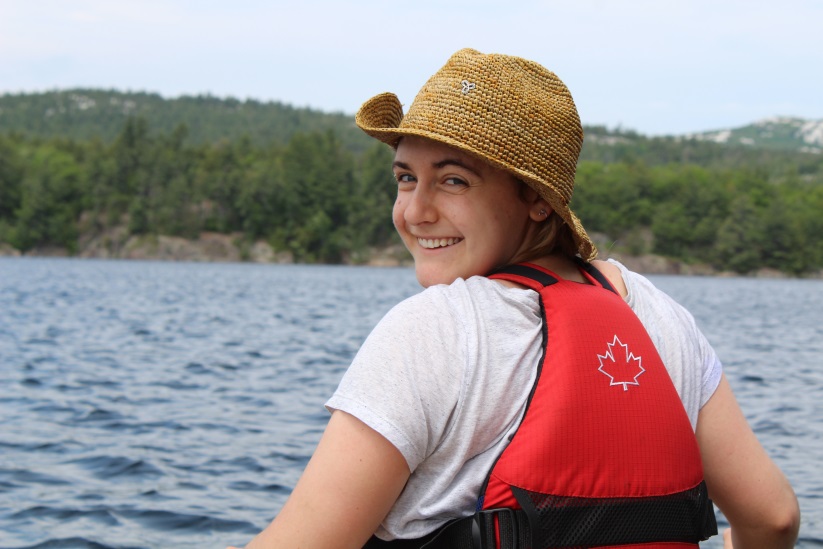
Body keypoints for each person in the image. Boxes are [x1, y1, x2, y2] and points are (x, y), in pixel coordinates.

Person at [233, 49, 799, 549]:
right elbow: (773, 519)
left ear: (537, 201)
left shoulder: (434, 329)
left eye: (453, 180)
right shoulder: (658, 316)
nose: (415, 211)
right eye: (406, 178)